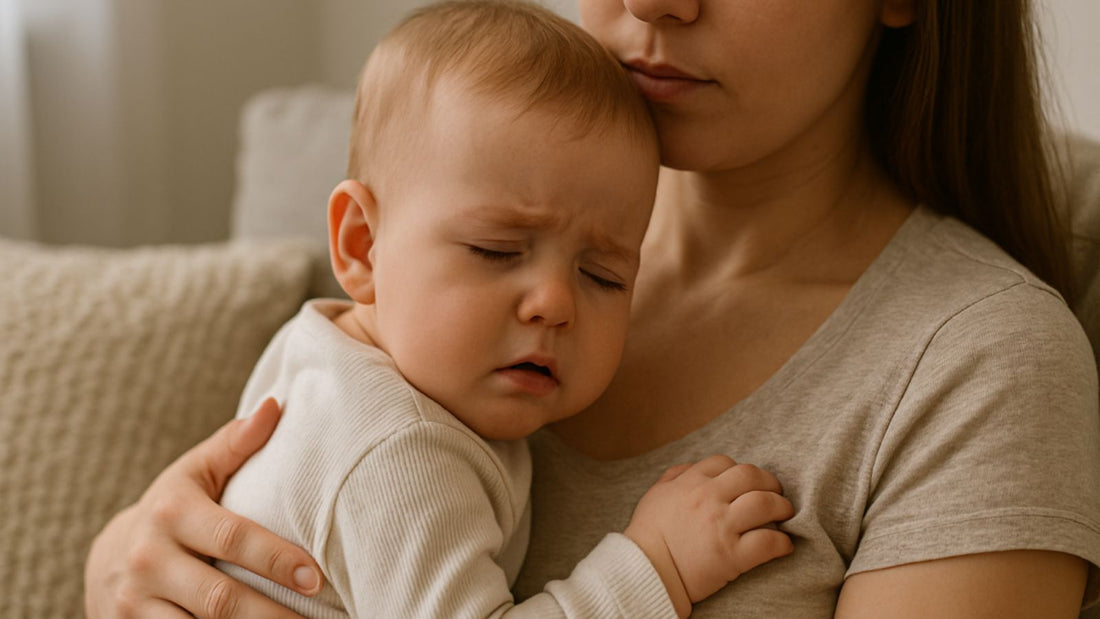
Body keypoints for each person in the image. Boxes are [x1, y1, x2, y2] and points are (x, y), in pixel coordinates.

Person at [86, 0, 1100, 616]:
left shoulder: (973, 365)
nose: (650, 3)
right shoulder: (435, 242)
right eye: (499, 251)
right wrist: (123, 568)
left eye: (600, 275)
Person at [210, 2, 794, 617]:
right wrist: (658, 568)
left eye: (603, 277)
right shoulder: (397, 451)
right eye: (495, 251)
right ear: (362, 245)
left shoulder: (324, 352)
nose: (554, 304)